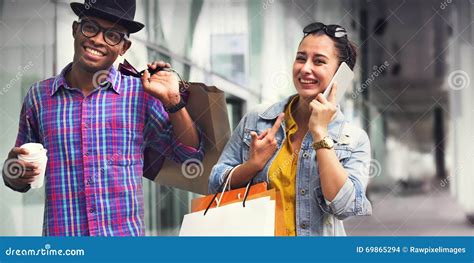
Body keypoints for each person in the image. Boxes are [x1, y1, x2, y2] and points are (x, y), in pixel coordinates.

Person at [1, 0, 204, 236]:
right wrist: (13, 170)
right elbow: (19, 178)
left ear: (124, 47)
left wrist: (172, 100)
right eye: (90, 27)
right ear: (75, 30)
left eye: (112, 35)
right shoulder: (39, 97)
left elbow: (190, 157)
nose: (97, 40)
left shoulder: (141, 94)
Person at [209, 22, 372, 236]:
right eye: (301, 58)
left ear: (341, 75)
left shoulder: (353, 139)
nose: (305, 68)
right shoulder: (258, 119)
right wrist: (252, 165)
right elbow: (215, 183)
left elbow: (345, 207)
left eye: (319, 61)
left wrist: (320, 133)